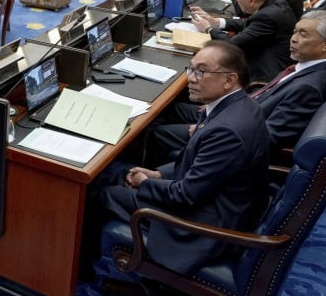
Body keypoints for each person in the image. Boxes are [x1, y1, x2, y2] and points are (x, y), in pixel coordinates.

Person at [87, 41, 269, 275]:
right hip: (213, 196)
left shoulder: (228, 131)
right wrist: (159, 174)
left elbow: (185, 196)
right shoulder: (237, 105)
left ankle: (79, 273)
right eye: (191, 69)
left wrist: (145, 183)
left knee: (101, 192)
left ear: (229, 79)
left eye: (201, 71)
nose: (191, 78)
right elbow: (200, 166)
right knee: (117, 172)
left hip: (201, 224)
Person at [147, 11, 326, 160]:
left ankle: (158, 177)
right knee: (173, 108)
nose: (293, 38)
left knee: (156, 133)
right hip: (240, 113)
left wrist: (208, 128)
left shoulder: (311, 86)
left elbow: (270, 136)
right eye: (295, 31)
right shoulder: (306, 68)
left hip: (232, 135)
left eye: (303, 34)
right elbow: (265, 95)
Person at [192, 0, 296, 82]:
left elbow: (232, 44)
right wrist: (216, 22)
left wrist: (208, 29)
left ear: (251, 0)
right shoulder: (277, 3)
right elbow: (250, 23)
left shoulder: (267, 17)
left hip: (263, 76)